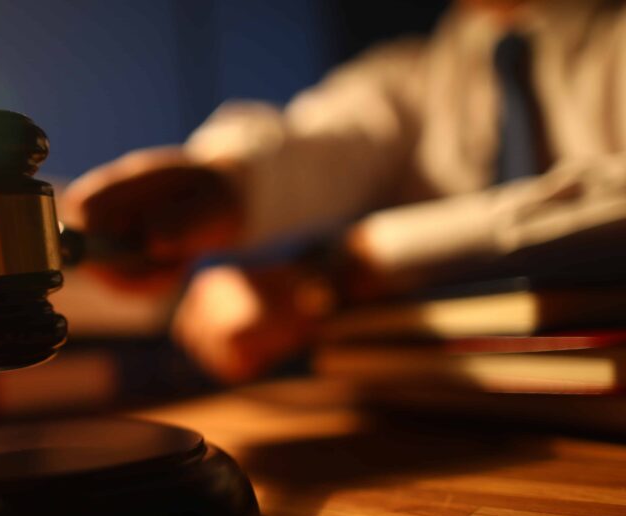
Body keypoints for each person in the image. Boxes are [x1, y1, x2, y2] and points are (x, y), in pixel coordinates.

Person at [60, 0, 626, 384]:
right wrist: (218, 184)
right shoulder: (414, 76)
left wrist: (338, 270)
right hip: (442, 427)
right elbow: (326, 140)